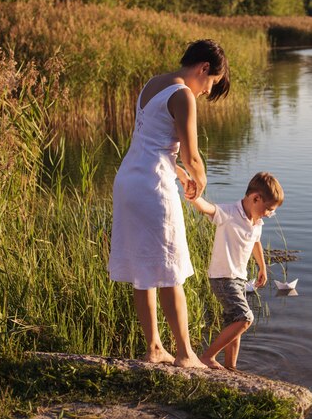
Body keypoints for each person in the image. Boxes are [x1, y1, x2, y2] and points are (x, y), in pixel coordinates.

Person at [108, 39, 230, 368]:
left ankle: (154, 348)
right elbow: (191, 154)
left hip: (128, 182)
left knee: (143, 270)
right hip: (152, 189)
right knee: (171, 270)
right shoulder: (183, 95)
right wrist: (199, 178)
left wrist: (178, 172)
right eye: (211, 84)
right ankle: (186, 354)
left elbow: (153, 143)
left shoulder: (153, 84)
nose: (205, 91)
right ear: (204, 68)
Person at [188, 172, 284, 370]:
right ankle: (207, 357)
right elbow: (208, 208)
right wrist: (194, 196)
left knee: (234, 324)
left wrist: (262, 267)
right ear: (255, 198)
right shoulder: (229, 213)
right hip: (223, 277)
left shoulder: (257, 222)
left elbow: (255, 242)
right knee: (245, 318)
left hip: (239, 278)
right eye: (269, 209)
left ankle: (231, 368)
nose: (269, 214)